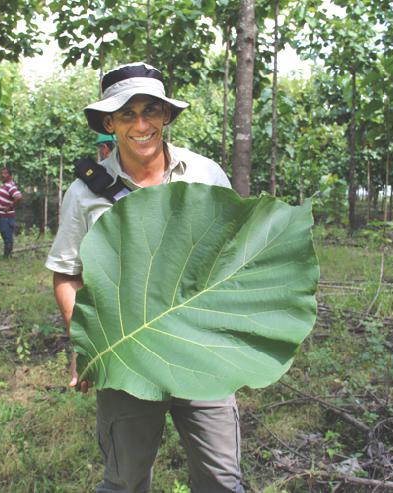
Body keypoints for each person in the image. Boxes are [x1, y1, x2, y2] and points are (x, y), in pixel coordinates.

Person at [45, 62, 244, 493]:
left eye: (151, 110)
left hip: (197, 347)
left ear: (166, 116)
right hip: (127, 351)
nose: (141, 124)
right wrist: (87, 344)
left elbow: (235, 254)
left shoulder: (205, 175)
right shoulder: (85, 193)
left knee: (222, 481)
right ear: (108, 123)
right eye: (126, 114)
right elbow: (67, 274)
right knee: (125, 480)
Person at [0, 167, 22, 257]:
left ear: (10, 175)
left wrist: (10, 206)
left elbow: (18, 197)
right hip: (2, 216)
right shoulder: (5, 185)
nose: (3, 175)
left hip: (6, 217)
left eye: (5, 173)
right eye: (2, 173)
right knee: (5, 235)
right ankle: (7, 255)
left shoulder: (10, 185)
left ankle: (7, 256)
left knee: (7, 236)